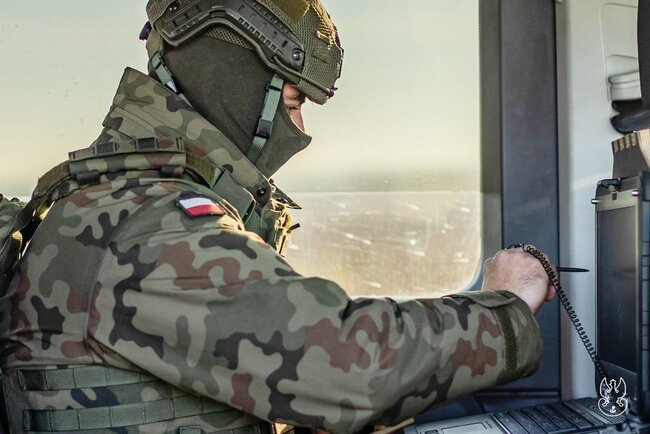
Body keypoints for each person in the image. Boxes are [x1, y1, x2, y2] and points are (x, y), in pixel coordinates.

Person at [0, 1, 555, 433]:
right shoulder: (149, 224)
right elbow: (348, 364)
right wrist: (504, 304)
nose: (302, 127)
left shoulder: (118, 199)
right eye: (294, 101)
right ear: (234, 77)